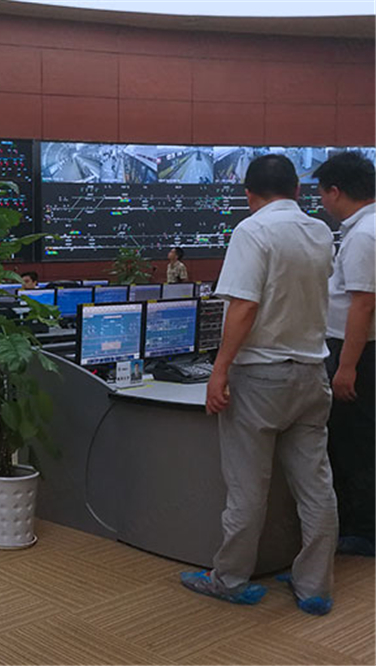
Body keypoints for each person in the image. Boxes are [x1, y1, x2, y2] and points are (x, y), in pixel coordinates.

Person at [181, 154, 338, 616]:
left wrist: (219, 369)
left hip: (261, 376)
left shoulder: (252, 231)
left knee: (247, 489)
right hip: (312, 373)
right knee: (316, 487)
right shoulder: (320, 231)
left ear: (248, 194)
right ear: (298, 190)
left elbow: (244, 306)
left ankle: (229, 580)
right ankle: (315, 587)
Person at [315, 151, 375, 557]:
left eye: (322, 194)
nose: (322, 203)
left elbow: (363, 304)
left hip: (357, 353)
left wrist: (346, 367)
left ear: (336, 191)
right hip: (363, 351)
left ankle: (361, 532)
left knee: (353, 443)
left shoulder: (364, 235)